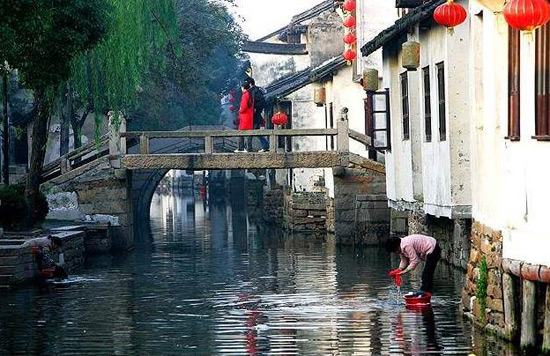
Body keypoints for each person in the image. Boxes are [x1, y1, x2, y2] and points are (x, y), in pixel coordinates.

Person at [246, 77, 269, 152]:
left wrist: (255, 109)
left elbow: (259, 103)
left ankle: (248, 148)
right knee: (256, 132)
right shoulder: (256, 90)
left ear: (249, 84)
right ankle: (265, 146)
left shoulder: (254, 91)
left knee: (251, 132)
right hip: (255, 115)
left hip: (255, 116)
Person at [235, 80, 254, 152]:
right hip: (249, 116)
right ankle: (249, 148)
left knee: (240, 132)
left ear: (243, 87)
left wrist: (240, 110)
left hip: (244, 116)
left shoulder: (245, 94)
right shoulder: (250, 94)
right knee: (249, 133)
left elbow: (243, 106)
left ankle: (241, 148)